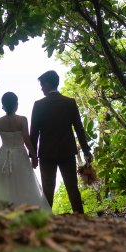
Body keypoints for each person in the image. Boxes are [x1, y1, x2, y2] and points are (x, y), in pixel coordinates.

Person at [30, 70, 92, 214]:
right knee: (72, 188)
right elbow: (79, 128)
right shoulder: (70, 102)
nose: (41, 88)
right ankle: (80, 218)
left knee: (47, 190)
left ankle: (44, 221)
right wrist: (86, 150)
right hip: (67, 152)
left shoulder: (39, 105)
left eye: (41, 85)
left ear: (47, 84)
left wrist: (32, 156)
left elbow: (34, 133)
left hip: (46, 154)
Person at [0, 92, 52, 211]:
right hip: (20, 156)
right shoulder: (22, 120)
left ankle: (3, 212)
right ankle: (26, 211)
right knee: (24, 185)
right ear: (16, 104)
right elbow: (27, 141)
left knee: (3, 186)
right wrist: (34, 156)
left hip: (2, 156)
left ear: (3, 105)